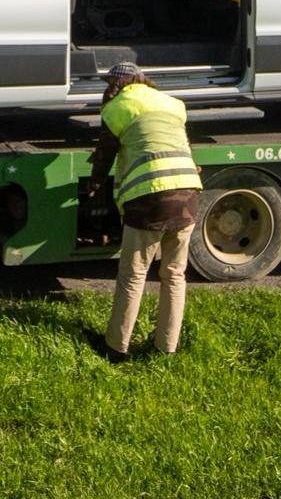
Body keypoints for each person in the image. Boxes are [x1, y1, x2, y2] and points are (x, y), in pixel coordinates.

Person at [87, 62, 202, 359]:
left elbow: (104, 156)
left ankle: (116, 346)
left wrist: (95, 186)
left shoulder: (117, 108)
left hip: (150, 199)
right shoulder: (172, 104)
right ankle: (166, 347)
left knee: (134, 274)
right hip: (188, 193)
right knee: (175, 275)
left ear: (117, 84)